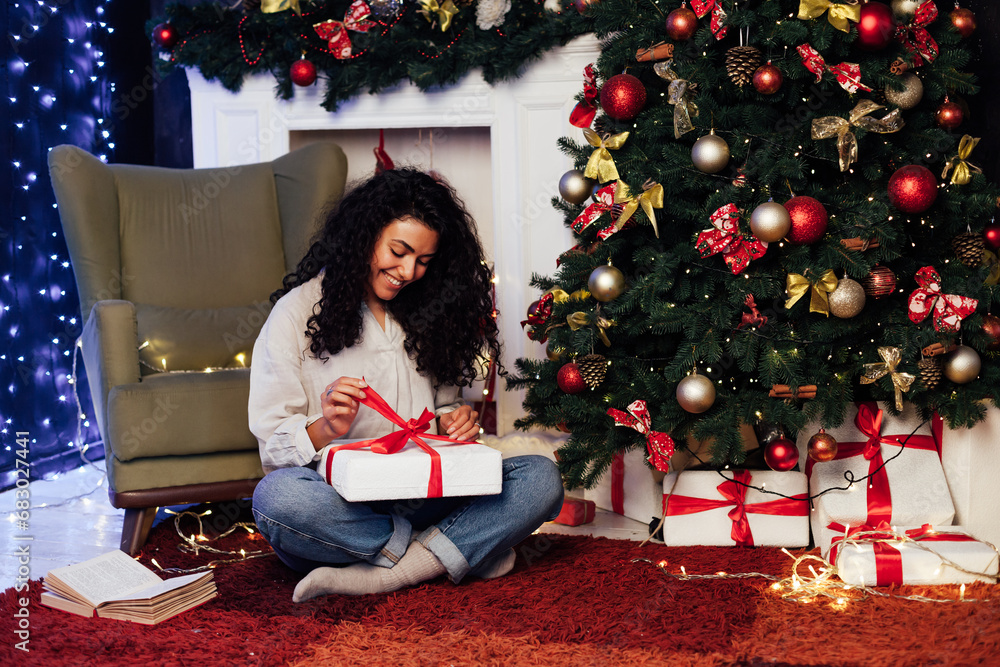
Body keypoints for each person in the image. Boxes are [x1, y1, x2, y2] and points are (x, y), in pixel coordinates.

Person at [248, 168, 564, 602]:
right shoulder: (295, 313)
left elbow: (443, 410)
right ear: (364, 235)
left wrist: (456, 421)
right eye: (398, 251)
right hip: (339, 506)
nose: (408, 271)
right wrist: (327, 427)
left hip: (425, 492)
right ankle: (453, 549)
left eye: (424, 261)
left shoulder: (429, 311)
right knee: (276, 501)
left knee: (540, 476)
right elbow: (273, 448)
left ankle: (388, 571)